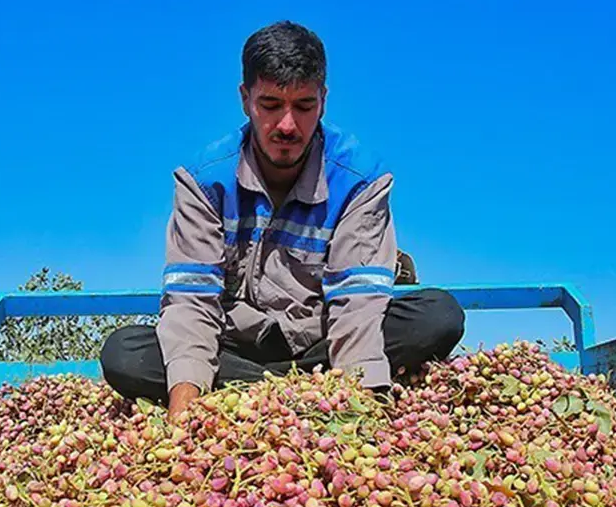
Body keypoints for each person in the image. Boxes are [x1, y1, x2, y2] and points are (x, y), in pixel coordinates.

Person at [100, 21, 465, 420]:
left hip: (323, 342)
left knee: (437, 316)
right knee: (125, 353)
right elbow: (192, 302)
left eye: (304, 107)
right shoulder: (204, 182)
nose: (287, 126)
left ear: (323, 101)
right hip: (236, 346)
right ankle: (297, 390)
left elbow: (357, 304)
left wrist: (362, 410)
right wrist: (183, 413)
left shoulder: (360, 180)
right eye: (271, 105)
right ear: (245, 99)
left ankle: (261, 393)